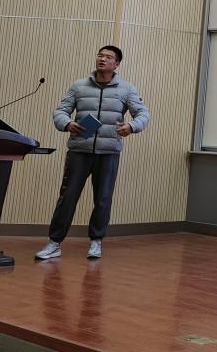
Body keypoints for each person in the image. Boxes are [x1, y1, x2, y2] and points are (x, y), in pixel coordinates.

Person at [36, 46, 150, 261]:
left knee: (103, 198)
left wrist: (132, 126)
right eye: (100, 55)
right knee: (67, 197)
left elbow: (143, 113)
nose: (102, 59)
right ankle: (54, 243)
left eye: (108, 57)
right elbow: (61, 110)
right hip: (79, 150)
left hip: (108, 152)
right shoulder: (78, 86)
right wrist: (67, 123)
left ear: (117, 64)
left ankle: (96, 241)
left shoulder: (126, 89)